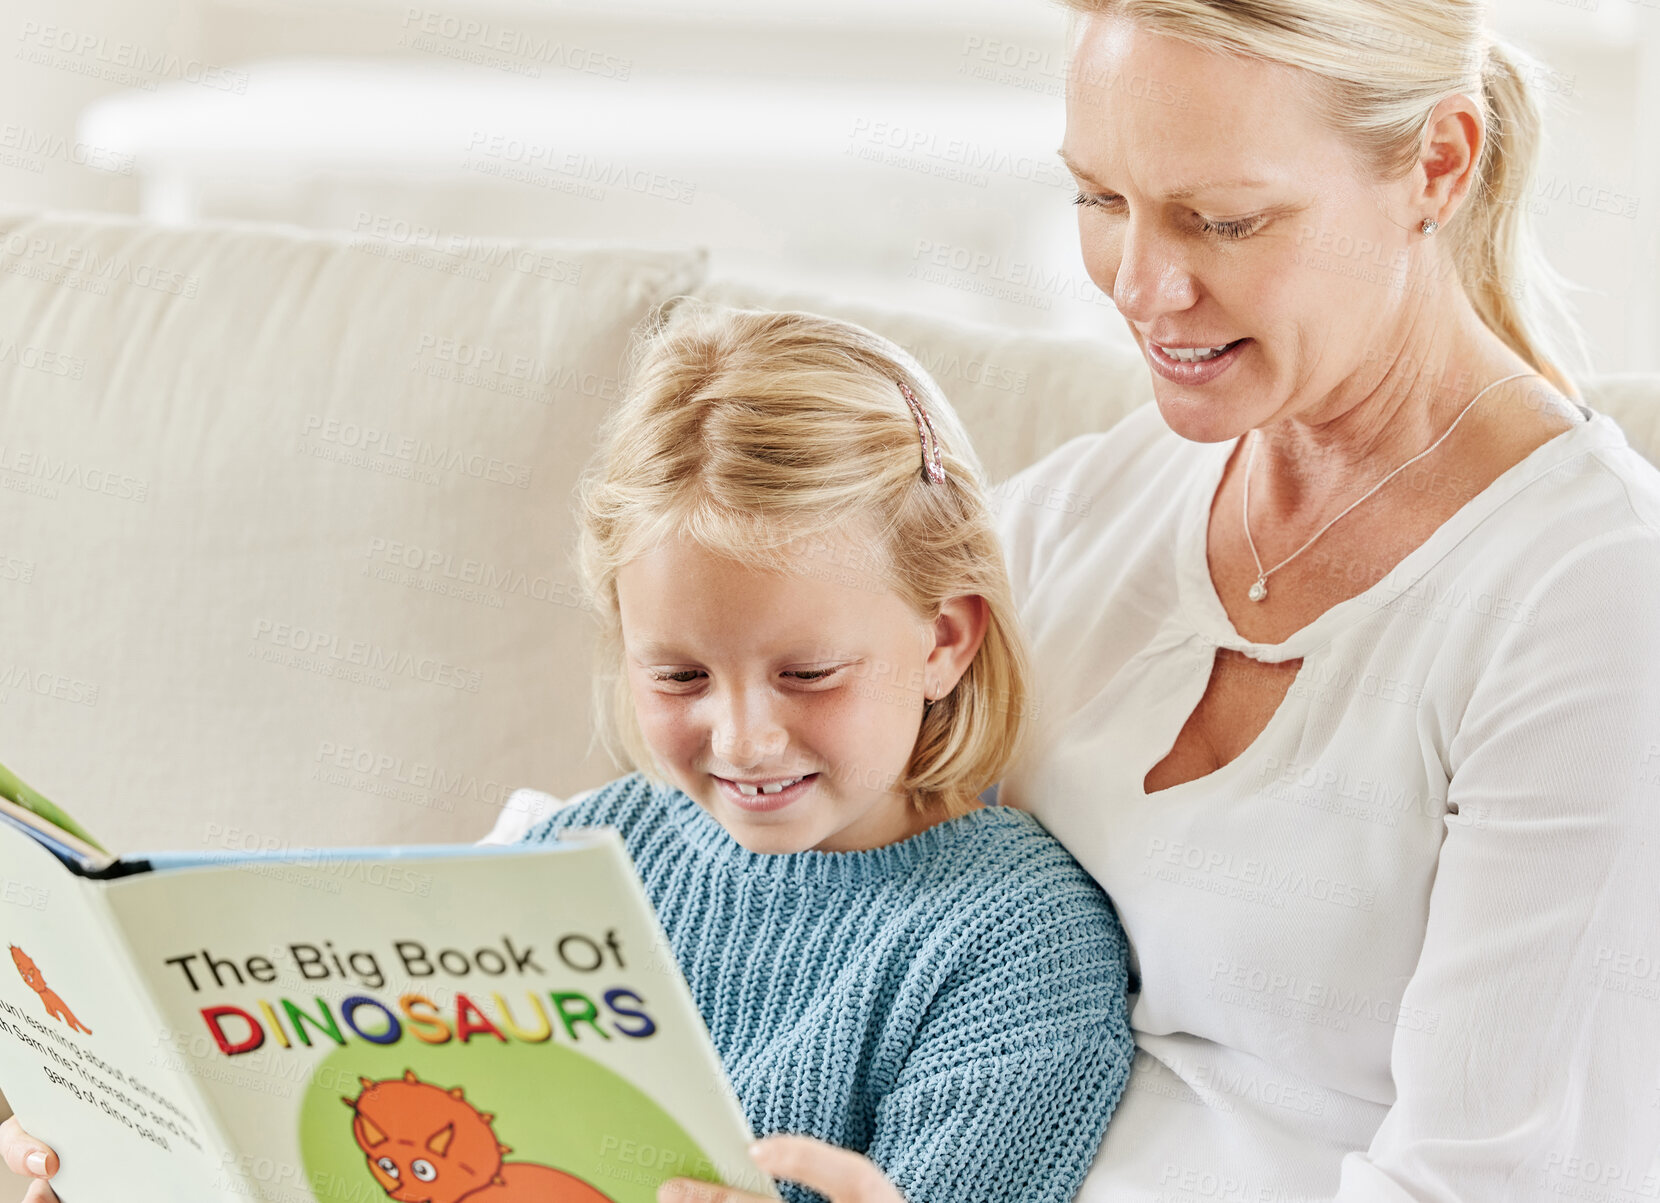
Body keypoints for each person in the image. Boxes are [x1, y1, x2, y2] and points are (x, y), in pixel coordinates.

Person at [10, 0, 1660, 1199]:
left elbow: (1491, 1184)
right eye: (1098, 198)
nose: (1143, 287)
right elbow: (763, 789)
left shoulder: (1583, 599)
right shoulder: (1099, 511)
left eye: (1224, 219)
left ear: (1436, 161)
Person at [2, 304, 1137, 1203]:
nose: (741, 737)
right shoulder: (586, 851)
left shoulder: (1011, 943)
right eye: (679, 676)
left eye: (808, 675)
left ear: (945, 638)